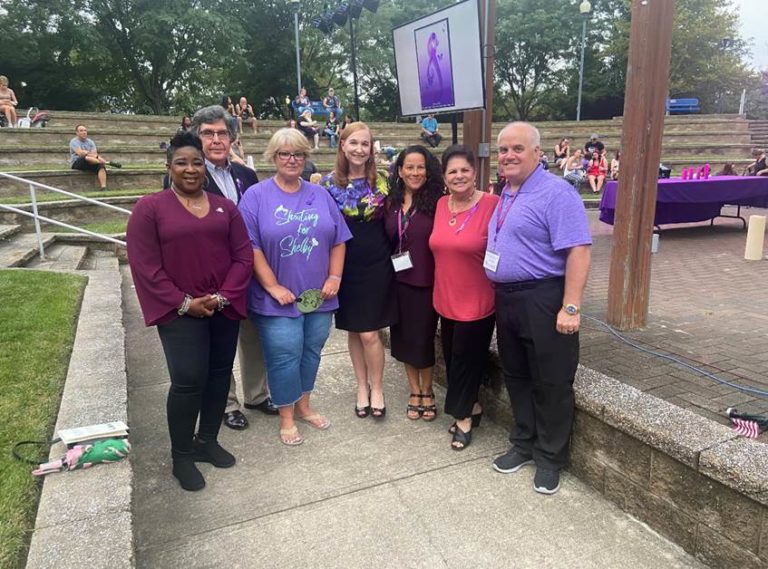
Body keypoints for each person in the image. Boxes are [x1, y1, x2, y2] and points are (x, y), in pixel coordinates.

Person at [126, 131, 253, 491]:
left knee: (217, 375)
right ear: (168, 168)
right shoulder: (150, 209)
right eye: (182, 162)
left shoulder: (224, 207)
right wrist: (185, 303)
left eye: (197, 162)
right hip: (180, 311)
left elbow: (243, 256)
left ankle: (207, 439)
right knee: (187, 380)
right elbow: (145, 267)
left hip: (222, 306)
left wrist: (224, 296)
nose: (191, 169)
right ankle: (181, 455)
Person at [487, 122, 592, 495]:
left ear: (537, 153)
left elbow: (578, 250)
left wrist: (571, 306)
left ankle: (550, 458)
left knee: (552, 381)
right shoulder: (508, 191)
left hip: (543, 297)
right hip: (508, 298)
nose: (508, 156)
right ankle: (524, 443)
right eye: (503, 150)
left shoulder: (556, 193)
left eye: (517, 148)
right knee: (516, 375)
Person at [239, 128, 352, 445]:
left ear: (306, 157)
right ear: (273, 158)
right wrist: (272, 285)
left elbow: (339, 240)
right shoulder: (256, 196)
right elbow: (251, 247)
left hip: (319, 296)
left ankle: (304, 406)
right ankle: (286, 417)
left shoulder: (320, 195)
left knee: (311, 351)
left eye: (298, 153)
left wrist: (334, 277)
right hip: (276, 300)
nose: (292, 160)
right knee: (284, 356)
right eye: (285, 154)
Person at [185, 105, 277, 430]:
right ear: (198, 138)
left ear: (231, 137)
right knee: (220, 343)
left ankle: (257, 394)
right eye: (208, 133)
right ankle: (227, 403)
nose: (216, 139)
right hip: (212, 274)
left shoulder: (246, 175)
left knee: (254, 337)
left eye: (222, 133)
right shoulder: (188, 174)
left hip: (249, 271)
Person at [321, 122, 398, 419]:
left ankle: (377, 387)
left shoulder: (383, 181)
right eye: (353, 143)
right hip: (344, 265)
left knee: (369, 332)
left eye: (365, 144)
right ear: (342, 145)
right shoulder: (327, 184)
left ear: (371, 148)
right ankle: (361, 386)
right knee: (354, 329)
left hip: (377, 262)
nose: (359, 149)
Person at [429, 145, 499, 450]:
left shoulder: (492, 204)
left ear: (475, 173)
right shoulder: (441, 204)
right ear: (444, 176)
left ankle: (463, 418)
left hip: (478, 299)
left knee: (466, 362)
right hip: (445, 297)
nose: (459, 176)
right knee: (452, 356)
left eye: (464, 170)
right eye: (452, 171)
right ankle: (474, 407)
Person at [384, 146, 443, 421]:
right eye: (409, 167)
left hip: (427, 282)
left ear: (428, 170)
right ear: (400, 170)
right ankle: (414, 390)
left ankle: (428, 390)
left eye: (420, 167)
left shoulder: (438, 202)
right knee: (404, 339)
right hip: (398, 282)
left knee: (423, 339)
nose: (415, 172)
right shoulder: (390, 203)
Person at [68, 125, 122, 191]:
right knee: (85, 158)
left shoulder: (90, 142)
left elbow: (94, 154)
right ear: (77, 133)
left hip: (92, 161)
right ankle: (106, 162)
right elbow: (80, 153)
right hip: (77, 162)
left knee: (101, 166)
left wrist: (90, 154)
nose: (84, 132)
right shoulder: (74, 141)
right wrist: (93, 156)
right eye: (81, 131)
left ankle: (103, 187)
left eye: (85, 130)